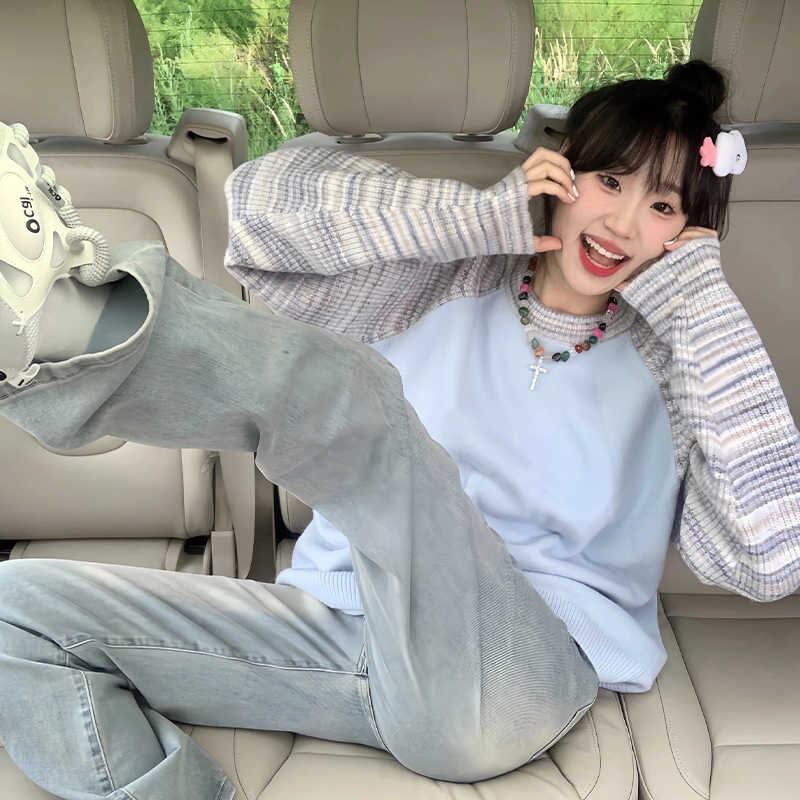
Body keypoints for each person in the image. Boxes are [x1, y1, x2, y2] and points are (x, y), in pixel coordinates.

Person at [0, 57, 797, 799]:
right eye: (609, 180)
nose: (621, 222)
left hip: (511, 678)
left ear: (689, 236)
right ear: (562, 172)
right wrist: (481, 216)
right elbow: (261, 208)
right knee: (15, 613)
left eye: (662, 207)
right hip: (344, 634)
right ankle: (58, 327)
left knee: (357, 401)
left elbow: (772, 559)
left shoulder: (682, 363)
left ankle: (85, 323)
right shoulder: (436, 280)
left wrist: (699, 300)